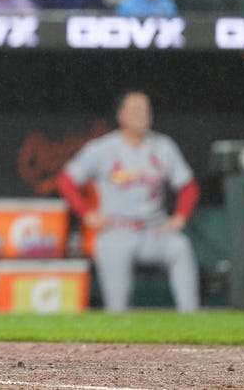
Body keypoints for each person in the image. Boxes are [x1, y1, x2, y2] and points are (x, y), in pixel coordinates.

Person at [56, 90, 200, 313]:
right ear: (121, 116)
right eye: (135, 110)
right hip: (117, 231)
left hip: (154, 230)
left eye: (145, 110)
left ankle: (192, 318)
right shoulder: (102, 148)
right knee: (117, 310)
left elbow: (188, 186)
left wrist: (180, 217)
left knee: (180, 247)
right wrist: (87, 214)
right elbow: (66, 180)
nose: (142, 116)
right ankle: (120, 340)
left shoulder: (163, 146)